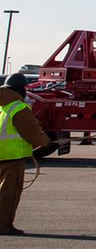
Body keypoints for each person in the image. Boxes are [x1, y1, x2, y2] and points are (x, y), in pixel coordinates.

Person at [2, 73, 52, 236]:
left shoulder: (3, 107)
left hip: (2, 156)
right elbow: (31, 132)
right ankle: (3, 226)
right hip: (12, 159)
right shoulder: (18, 107)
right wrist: (46, 143)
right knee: (9, 194)